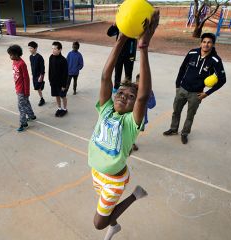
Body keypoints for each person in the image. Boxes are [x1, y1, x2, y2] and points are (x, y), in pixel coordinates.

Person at [88, 10, 159, 240]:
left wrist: (143, 48)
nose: (123, 97)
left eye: (129, 97)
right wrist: (121, 38)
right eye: (121, 93)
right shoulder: (106, 107)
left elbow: (143, 95)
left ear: (133, 107)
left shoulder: (130, 122)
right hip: (95, 172)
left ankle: (135, 196)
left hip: (114, 181)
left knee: (99, 223)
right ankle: (114, 226)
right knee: (107, 212)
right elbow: (105, 77)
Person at [163, 32, 226, 144]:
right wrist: (178, 85)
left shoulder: (216, 60)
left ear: (213, 44)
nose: (206, 44)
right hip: (182, 89)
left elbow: (222, 80)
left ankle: (184, 133)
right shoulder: (192, 52)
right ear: (201, 43)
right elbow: (182, 68)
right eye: (204, 42)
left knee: (190, 116)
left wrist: (206, 93)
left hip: (196, 94)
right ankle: (173, 129)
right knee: (176, 111)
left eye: (209, 42)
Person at [7, 44, 36, 132]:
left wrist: (26, 92)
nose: (10, 56)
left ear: (16, 54)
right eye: (10, 55)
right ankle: (31, 116)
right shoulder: (14, 61)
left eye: (11, 55)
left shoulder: (22, 64)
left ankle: (23, 123)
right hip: (18, 87)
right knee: (26, 102)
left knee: (21, 106)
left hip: (22, 90)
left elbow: (26, 79)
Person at [107, 24, 137, 92]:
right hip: (119, 54)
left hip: (130, 55)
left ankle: (127, 88)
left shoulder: (134, 26)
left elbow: (139, 35)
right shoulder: (120, 25)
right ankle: (116, 87)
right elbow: (109, 33)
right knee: (117, 71)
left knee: (128, 73)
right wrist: (114, 25)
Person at [132, 73, 156, 151]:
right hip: (130, 117)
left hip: (141, 117)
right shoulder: (131, 90)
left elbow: (152, 105)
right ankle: (128, 144)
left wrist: (148, 95)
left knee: (136, 131)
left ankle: (131, 142)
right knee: (129, 130)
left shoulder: (148, 92)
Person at [49, 41, 69, 117]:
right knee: (56, 95)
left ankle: (64, 109)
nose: (53, 50)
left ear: (60, 50)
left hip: (61, 84)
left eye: (55, 49)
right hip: (53, 82)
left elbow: (65, 74)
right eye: (52, 49)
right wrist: (50, 80)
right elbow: (50, 69)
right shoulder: (51, 57)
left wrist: (64, 85)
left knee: (63, 96)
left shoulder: (63, 60)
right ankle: (59, 108)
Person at [28, 41, 46, 106]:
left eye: (31, 48)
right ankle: (41, 96)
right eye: (29, 48)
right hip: (34, 75)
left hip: (39, 75)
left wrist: (41, 76)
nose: (30, 50)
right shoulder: (30, 57)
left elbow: (42, 68)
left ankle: (42, 99)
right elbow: (32, 65)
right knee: (37, 88)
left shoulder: (39, 57)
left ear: (35, 48)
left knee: (38, 87)